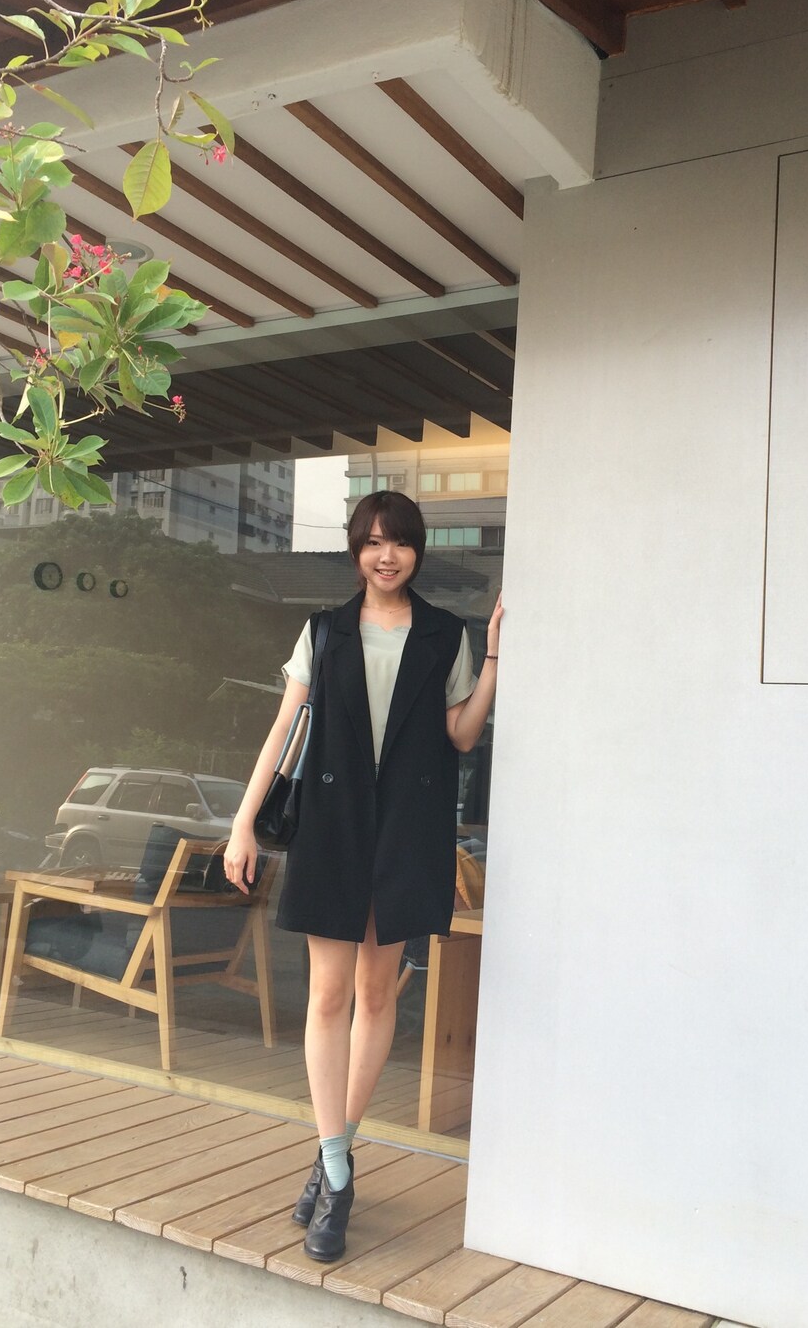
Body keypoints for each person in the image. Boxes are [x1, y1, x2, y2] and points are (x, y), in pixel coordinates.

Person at [224, 490, 502, 1262]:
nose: (387, 555)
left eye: (400, 542)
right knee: (327, 996)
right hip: (332, 828)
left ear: (416, 552)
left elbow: (461, 734)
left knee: (377, 996)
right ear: (356, 551)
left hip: (407, 833)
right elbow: (283, 729)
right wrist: (243, 824)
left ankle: (331, 1159)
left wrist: (494, 659)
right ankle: (337, 1167)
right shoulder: (325, 631)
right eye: (374, 542)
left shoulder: (445, 634)